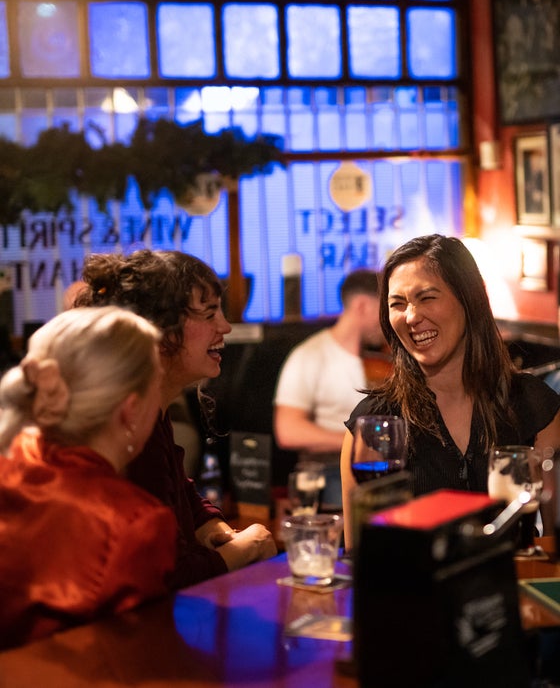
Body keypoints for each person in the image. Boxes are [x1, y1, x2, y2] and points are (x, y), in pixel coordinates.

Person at [340, 234, 560, 548]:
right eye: (397, 304)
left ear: (470, 300)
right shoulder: (374, 423)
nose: (412, 317)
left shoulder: (534, 405)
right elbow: (359, 560)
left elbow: (552, 547)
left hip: (513, 591)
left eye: (427, 297)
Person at [75, 249, 276, 588]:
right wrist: (245, 547)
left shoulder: (150, 409)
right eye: (210, 313)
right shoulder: (125, 427)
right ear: (159, 329)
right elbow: (159, 577)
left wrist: (212, 526)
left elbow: (177, 489)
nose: (225, 326)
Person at [0, 307, 177, 648]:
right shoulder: (134, 523)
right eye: (158, 385)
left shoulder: (14, 458)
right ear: (130, 410)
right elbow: (134, 663)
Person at [274, 269, 387, 510]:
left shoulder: (384, 357)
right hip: (328, 471)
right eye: (385, 308)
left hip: (381, 468)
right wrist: (357, 444)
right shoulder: (310, 355)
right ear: (362, 306)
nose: (388, 319)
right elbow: (288, 430)